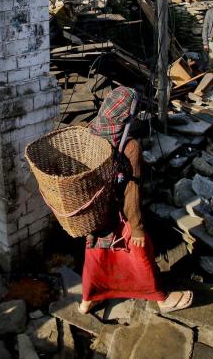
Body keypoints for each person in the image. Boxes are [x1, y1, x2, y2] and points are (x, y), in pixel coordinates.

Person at [80, 87, 193, 314]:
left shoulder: (88, 134)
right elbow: (132, 192)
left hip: (93, 215)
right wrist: (137, 227)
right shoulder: (129, 147)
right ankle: (160, 298)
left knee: (96, 256)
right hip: (118, 214)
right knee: (141, 253)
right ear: (127, 115)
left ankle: (87, 300)